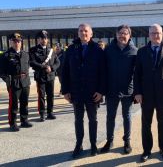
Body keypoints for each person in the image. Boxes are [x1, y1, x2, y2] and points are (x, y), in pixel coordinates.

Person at [134, 24, 163, 162]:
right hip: (146, 94)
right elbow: (137, 74)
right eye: (153, 33)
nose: (156, 35)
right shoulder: (141, 51)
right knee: (146, 124)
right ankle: (146, 150)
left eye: (158, 33)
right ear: (149, 35)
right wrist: (137, 92)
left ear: (162, 34)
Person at [61, 23, 106, 158]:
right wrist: (65, 90)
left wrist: (101, 91)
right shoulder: (70, 49)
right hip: (76, 92)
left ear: (91, 34)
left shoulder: (98, 50)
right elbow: (65, 71)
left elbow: (103, 73)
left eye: (86, 31)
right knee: (78, 119)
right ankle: (79, 144)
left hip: (93, 93)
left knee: (93, 120)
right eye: (81, 31)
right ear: (78, 33)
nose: (83, 33)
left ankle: (93, 144)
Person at [100, 25, 137, 154]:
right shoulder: (108, 50)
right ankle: (109, 141)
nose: (122, 35)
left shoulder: (134, 51)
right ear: (116, 34)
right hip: (112, 90)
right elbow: (103, 71)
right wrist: (102, 89)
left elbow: (138, 73)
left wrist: (137, 91)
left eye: (125, 33)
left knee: (127, 117)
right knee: (110, 116)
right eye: (120, 33)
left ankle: (127, 141)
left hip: (128, 91)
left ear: (129, 36)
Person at [0, 33, 32, 131]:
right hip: (14, 82)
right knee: (13, 104)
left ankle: (24, 120)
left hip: (25, 81)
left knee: (24, 102)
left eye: (18, 41)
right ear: (11, 42)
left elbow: (28, 66)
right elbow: (1, 71)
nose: (17, 43)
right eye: (14, 41)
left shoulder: (25, 54)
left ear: (21, 42)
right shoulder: (6, 55)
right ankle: (12, 123)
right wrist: (8, 81)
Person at [29, 30, 60, 121]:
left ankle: (50, 112)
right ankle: (42, 113)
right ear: (38, 39)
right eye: (42, 38)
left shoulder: (51, 50)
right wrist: (44, 67)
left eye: (45, 38)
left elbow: (57, 62)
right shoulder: (33, 50)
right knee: (41, 96)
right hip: (40, 76)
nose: (44, 40)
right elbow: (32, 62)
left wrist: (52, 68)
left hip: (50, 76)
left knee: (50, 95)